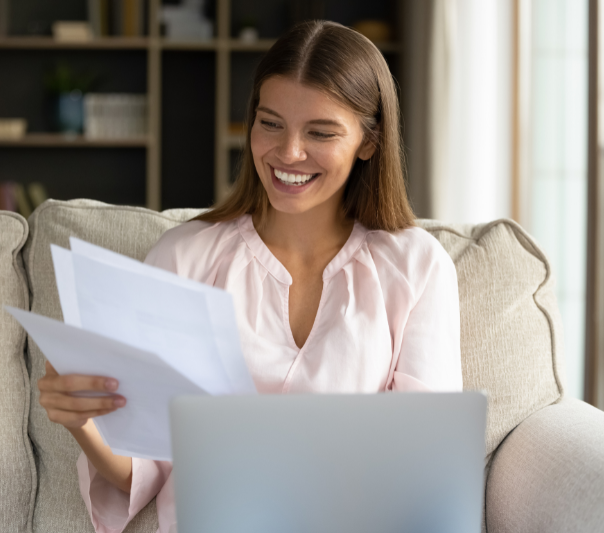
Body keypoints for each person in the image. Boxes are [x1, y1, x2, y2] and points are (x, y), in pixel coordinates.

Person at [37, 19, 462, 533]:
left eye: (321, 132)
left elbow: (424, 472)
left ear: (368, 142)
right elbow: (143, 470)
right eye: (271, 123)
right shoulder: (186, 258)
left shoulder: (416, 266)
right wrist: (83, 422)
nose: (288, 153)